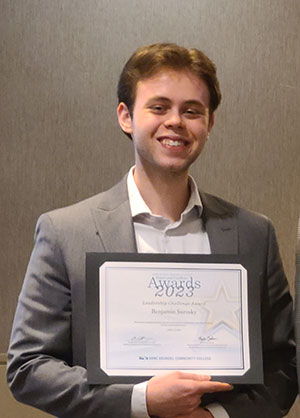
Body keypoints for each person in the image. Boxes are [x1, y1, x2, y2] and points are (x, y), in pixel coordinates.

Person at [7, 43, 297, 418]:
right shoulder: (65, 232)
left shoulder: (255, 233)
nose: (175, 121)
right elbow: (28, 367)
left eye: (191, 110)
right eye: (158, 107)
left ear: (209, 123)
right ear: (126, 117)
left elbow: (284, 363)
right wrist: (140, 402)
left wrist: (216, 416)